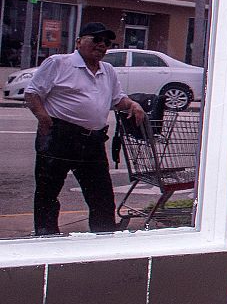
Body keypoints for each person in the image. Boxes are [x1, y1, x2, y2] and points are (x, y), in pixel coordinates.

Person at [24, 22, 145, 236]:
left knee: (102, 195)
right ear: (79, 41)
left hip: (92, 142)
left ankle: (103, 236)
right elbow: (32, 93)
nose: (102, 45)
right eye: (96, 39)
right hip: (59, 137)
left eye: (106, 42)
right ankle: (46, 236)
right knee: (47, 193)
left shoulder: (107, 70)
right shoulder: (58, 63)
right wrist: (45, 121)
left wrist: (133, 104)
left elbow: (118, 99)